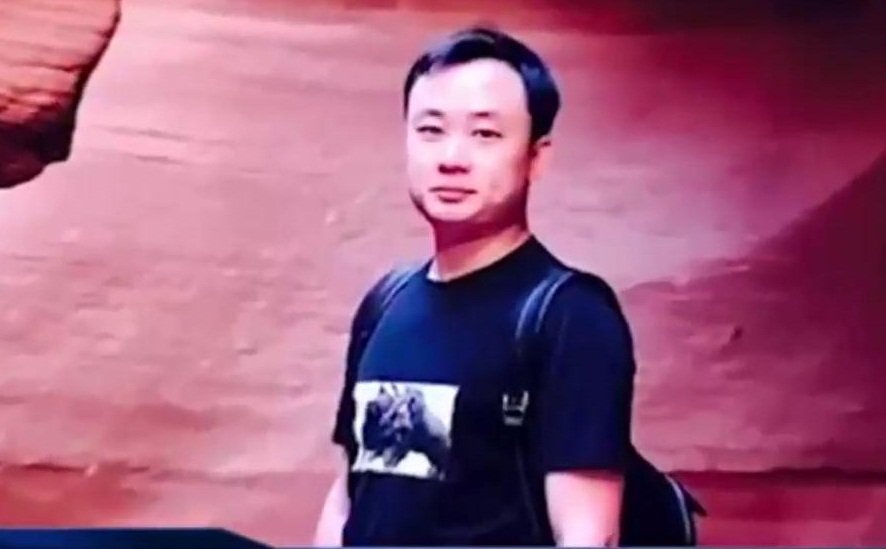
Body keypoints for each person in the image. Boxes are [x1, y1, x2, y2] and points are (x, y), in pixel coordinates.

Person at [313, 25, 636, 547]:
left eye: (484, 134)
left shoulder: (570, 315)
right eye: (430, 130)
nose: (452, 157)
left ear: (537, 157)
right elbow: (351, 496)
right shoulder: (386, 303)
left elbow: (588, 534)